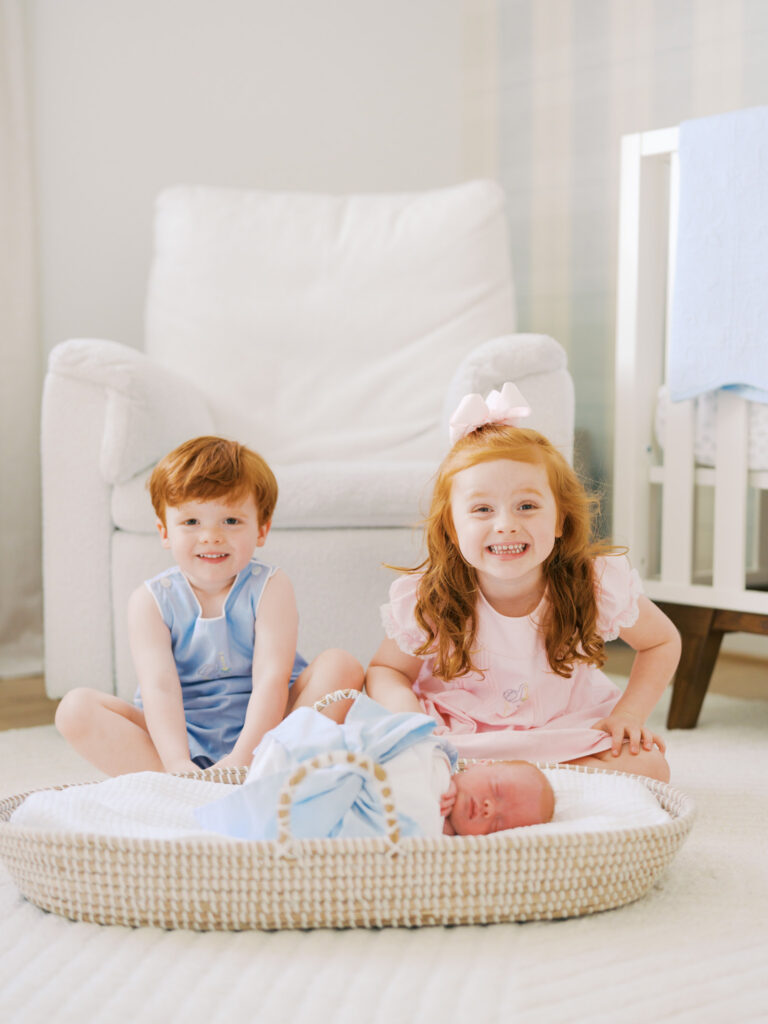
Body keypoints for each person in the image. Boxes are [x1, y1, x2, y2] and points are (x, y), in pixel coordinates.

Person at [366, 383, 680, 781]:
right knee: (394, 760)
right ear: (451, 527)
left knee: (650, 767)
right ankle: (512, 780)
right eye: (482, 509)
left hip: (563, 732)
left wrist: (629, 714)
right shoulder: (431, 595)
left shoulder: (593, 582)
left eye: (527, 506)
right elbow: (385, 671)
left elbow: (662, 641)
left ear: (561, 518)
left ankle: (509, 781)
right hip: (466, 737)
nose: (506, 525)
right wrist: (408, 716)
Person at [55, 436, 364, 776]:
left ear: (262, 529)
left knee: (342, 666)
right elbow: (159, 686)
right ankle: (179, 784)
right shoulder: (150, 601)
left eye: (230, 521)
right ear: (164, 532)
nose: (210, 536)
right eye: (191, 522)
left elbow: (271, 679)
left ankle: (264, 773)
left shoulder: (271, 587)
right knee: (75, 709)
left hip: (268, 733)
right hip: (177, 737)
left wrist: (246, 755)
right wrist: (176, 761)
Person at [191, 692, 555, 840]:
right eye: (495, 790)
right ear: (481, 765)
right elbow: (397, 736)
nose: (490, 807)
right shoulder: (437, 757)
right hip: (322, 758)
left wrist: (437, 818)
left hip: (336, 810)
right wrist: (441, 780)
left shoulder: (444, 841)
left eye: (501, 823)